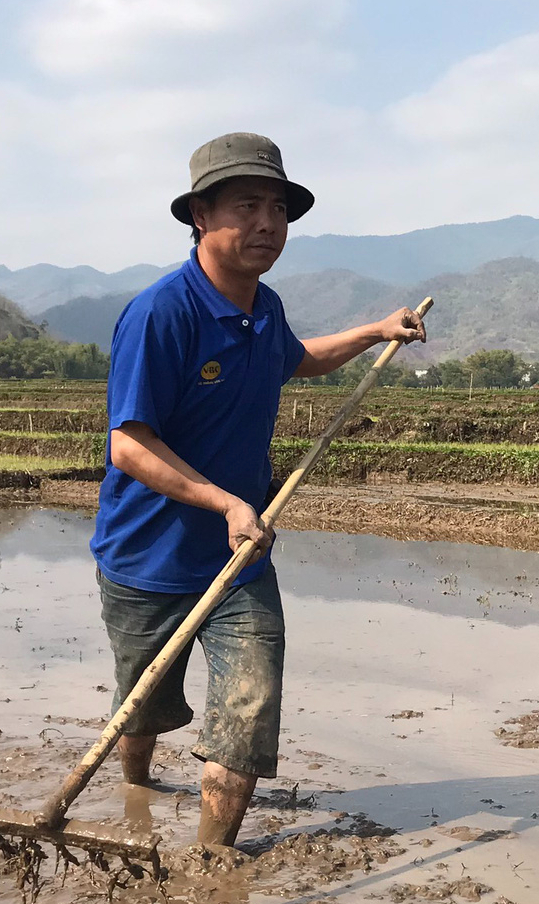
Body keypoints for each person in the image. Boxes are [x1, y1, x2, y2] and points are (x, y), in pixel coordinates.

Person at [91, 132, 423, 846]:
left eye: (278, 207)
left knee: (248, 704)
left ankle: (212, 860)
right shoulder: (162, 314)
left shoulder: (264, 308)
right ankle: (136, 792)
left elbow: (295, 360)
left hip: (240, 559)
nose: (268, 224)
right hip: (145, 558)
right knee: (141, 707)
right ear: (201, 217)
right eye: (247, 206)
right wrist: (225, 500)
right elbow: (128, 443)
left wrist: (375, 330)